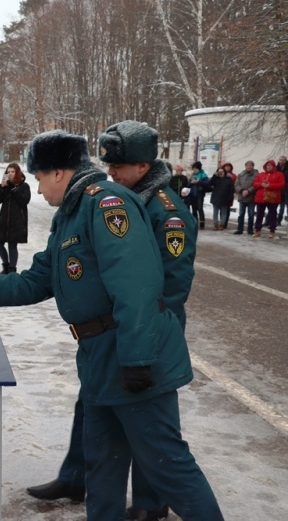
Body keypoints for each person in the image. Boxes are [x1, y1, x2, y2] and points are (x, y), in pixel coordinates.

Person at [0, 130, 222, 521]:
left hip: (131, 353)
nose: (38, 189)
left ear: (59, 172)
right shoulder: (71, 214)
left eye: (39, 178)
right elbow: (37, 279)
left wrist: (137, 358)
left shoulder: (107, 205)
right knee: (103, 462)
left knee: (167, 463)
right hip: (98, 356)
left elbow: (137, 287)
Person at [28, 121, 198, 521]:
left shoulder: (165, 210)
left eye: (119, 165)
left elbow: (167, 288)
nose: (111, 171)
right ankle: (76, 476)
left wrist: (142, 349)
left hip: (143, 334)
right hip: (110, 338)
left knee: (154, 439)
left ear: (144, 165)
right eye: (108, 164)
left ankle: (149, 502)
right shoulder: (105, 199)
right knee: (96, 418)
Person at [0, 162, 31, 274]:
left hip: (17, 220)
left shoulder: (24, 186)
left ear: (17, 172)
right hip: (4, 219)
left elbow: (24, 201)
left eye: (13, 172)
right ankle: (6, 266)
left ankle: (12, 270)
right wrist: (1, 187)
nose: (10, 174)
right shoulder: (6, 185)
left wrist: (13, 188)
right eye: (8, 172)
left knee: (12, 245)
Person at [253, 159, 286, 238]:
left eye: (270, 165)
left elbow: (282, 184)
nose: (269, 167)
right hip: (261, 198)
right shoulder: (261, 174)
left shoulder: (279, 174)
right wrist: (261, 184)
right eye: (267, 165)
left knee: (272, 215)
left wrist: (270, 185)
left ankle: (272, 231)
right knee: (259, 215)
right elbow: (255, 183)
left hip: (272, 198)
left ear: (274, 166)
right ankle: (257, 230)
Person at [208, 166, 235, 230]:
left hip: (225, 198)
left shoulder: (229, 179)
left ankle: (222, 224)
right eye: (219, 172)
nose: (221, 173)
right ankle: (215, 224)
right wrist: (214, 176)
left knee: (224, 212)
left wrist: (230, 197)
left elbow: (231, 189)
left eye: (222, 171)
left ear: (225, 172)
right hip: (216, 198)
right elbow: (209, 184)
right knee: (215, 212)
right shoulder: (215, 179)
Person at [189, 161, 209, 229]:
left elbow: (207, 183)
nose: (194, 170)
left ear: (199, 168)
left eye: (195, 169)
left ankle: (202, 223)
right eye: (193, 169)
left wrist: (198, 181)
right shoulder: (192, 175)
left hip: (200, 194)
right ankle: (195, 222)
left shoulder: (203, 174)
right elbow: (188, 184)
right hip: (193, 194)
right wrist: (191, 183)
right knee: (194, 209)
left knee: (200, 208)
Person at [277, 155, 288, 225]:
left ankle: (279, 220)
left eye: (283, 160)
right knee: (280, 207)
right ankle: (278, 220)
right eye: (281, 160)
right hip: (279, 190)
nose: (282, 161)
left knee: (285, 206)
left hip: (287, 190)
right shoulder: (276, 168)